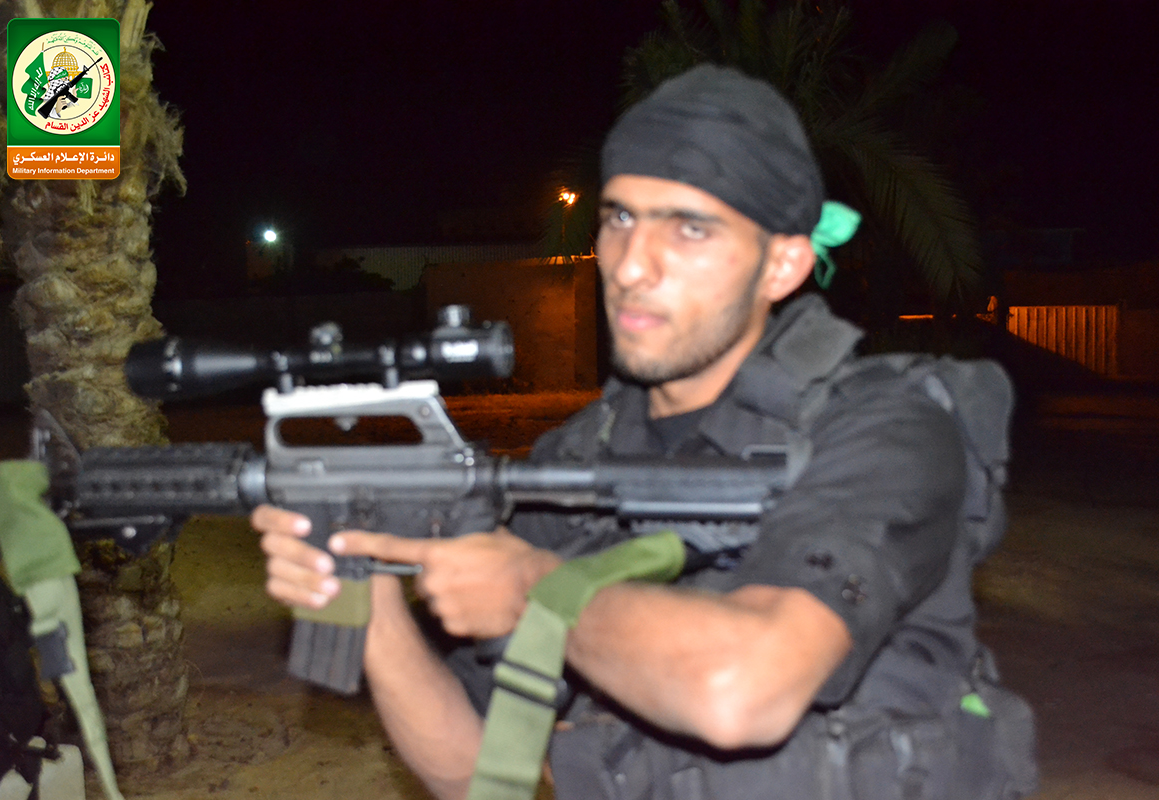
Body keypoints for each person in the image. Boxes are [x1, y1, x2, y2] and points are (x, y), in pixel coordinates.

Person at [254, 65, 1034, 800]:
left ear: (783, 265)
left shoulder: (886, 430)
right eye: (620, 218)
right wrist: (362, 587)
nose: (631, 265)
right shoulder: (573, 462)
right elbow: (472, 770)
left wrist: (530, 590)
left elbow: (744, 691)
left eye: (689, 229)